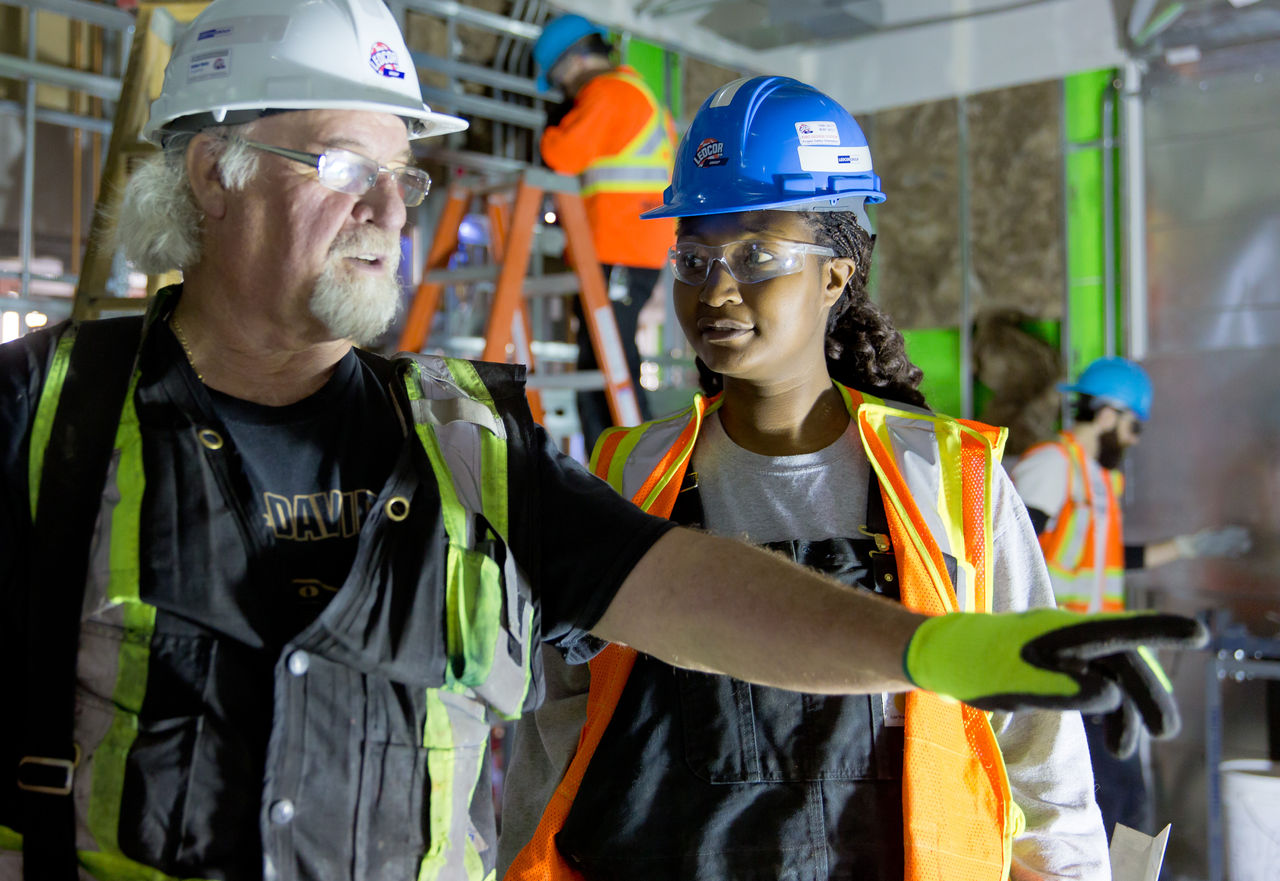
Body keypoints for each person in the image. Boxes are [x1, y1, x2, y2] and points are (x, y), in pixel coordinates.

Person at [0, 4, 1204, 880]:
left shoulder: (465, 440)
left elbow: (679, 589)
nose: (385, 208)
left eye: (401, 176)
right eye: (342, 165)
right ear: (215, 173)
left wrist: (938, 649)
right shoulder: (41, 420)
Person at [498, 76, 1143, 881]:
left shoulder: (949, 482)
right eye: (693, 258)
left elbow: (1041, 760)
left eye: (758, 255)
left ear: (836, 276)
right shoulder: (628, 475)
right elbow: (556, 722)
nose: (716, 289)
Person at [1011, 355, 1250, 838]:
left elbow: (1107, 557)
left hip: (1099, 659)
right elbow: (1013, 556)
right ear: (1106, 415)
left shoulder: (1096, 478)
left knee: (1121, 796)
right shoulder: (1053, 468)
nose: (1134, 439)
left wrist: (1188, 546)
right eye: (1133, 425)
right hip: (1062, 664)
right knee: (1101, 800)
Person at [532, 13, 678, 449]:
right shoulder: (628, 93)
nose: (563, 90)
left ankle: (633, 461)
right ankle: (615, 459)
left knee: (612, 361)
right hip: (626, 244)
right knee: (605, 357)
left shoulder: (609, 92)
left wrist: (552, 127)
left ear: (573, 62)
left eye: (558, 79)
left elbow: (561, 153)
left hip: (621, 246)